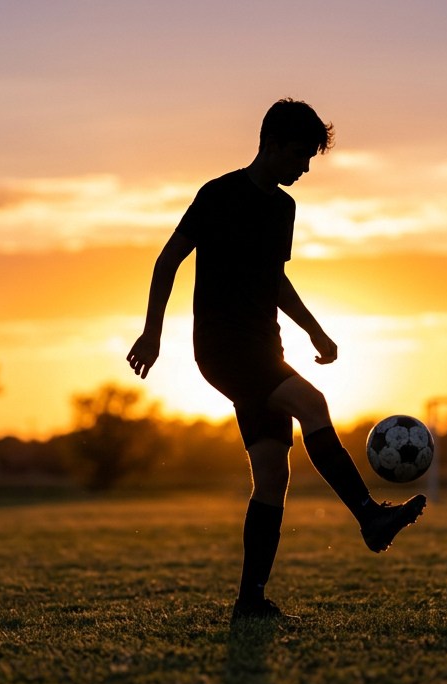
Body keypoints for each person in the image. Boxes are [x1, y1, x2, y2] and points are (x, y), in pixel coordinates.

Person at [126, 98, 426, 621]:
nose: (306, 167)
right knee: (314, 403)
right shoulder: (217, 195)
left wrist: (316, 329)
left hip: (266, 347)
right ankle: (369, 518)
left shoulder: (282, 209)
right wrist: (152, 333)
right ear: (271, 143)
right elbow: (167, 260)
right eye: (300, 154)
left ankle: (250, 601)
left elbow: (274, 280)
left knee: (271, 476)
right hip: (222, 348)